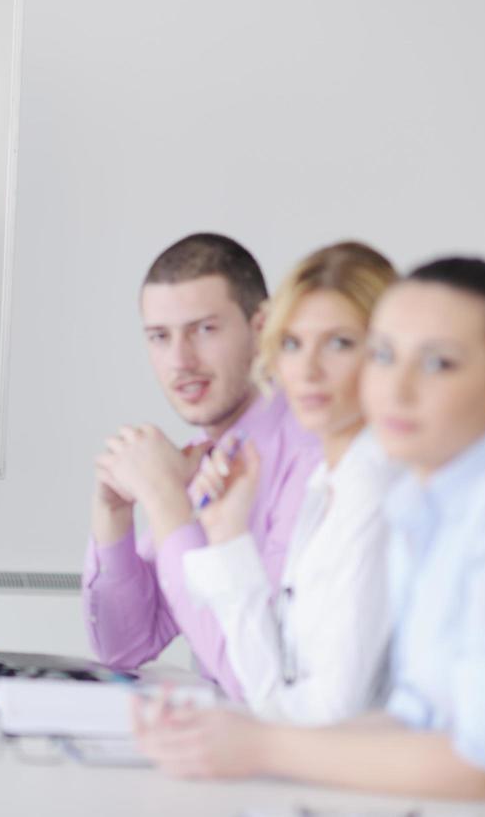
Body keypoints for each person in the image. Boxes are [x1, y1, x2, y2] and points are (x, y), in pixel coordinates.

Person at [135, 257, 485, 817]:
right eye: (385, 356)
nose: (398, 387)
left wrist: (264, 746)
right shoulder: (425, 500)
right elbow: (416, 720)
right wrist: (234, 732)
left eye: (438, 363)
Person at [86, 233, 322, 696]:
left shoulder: (313, 454)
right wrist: (114, 513)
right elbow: (124, 647)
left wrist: (163, 498)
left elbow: (255, 676)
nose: (180, 361)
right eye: (160, 337)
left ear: (262, 327)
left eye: (204, 330)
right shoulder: (203, 455)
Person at [181, 241, 403, 724]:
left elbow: (330, 717)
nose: (307, 370)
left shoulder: (377, 488)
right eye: (291, 344)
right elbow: (273, 689)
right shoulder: (329, 483)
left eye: (339, 343)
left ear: (386, 354)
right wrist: (227, 535)